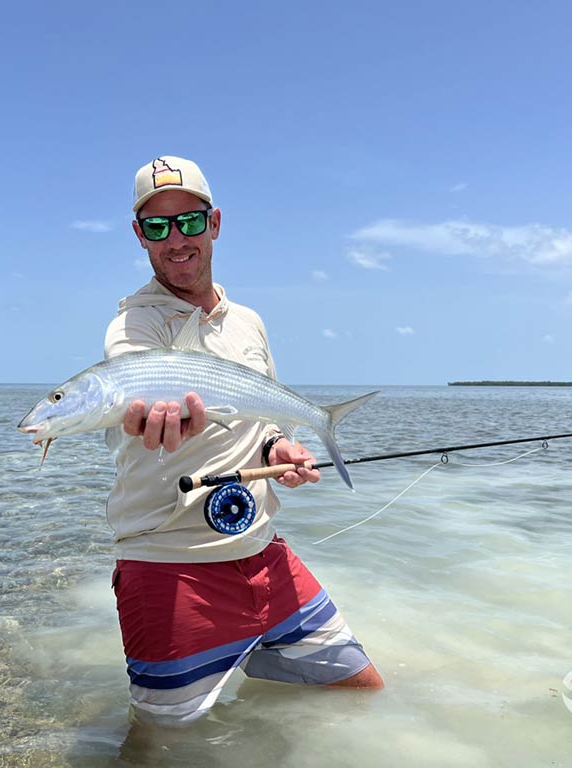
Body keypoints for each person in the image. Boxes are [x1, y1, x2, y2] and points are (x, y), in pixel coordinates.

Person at [104, 155, 383, 725]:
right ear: (140, 236)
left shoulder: (249, 322)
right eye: (157, 226)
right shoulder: (132, 327)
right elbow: (138, 381)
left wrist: (278, 448)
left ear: (216, 223)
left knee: (365, 693)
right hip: (170, 569)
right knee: (162, 748)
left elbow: (265, 418)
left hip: (264, 553)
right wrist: (155, 420)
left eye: (189, 220)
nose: (175, 238)